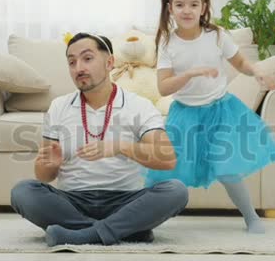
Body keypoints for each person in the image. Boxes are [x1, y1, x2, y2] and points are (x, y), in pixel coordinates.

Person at [10, 32, 188, 246]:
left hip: (125, 200)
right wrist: (47, 166)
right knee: (22, 192)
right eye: (72, 62)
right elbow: (44, 176)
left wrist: (120, 147)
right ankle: (126, 229)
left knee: (176, 191)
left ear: (109, 62)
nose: (79, 68)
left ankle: (84, 234)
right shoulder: (59, 106)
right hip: (73, 201)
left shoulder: (139, 105)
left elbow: (167, 158)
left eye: (87, 58)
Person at [144, 0, 275, 233]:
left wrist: (258, 72)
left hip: (221, 112)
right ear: (170, 8)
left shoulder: (217, 35)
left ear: (204, 8)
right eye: (180, 5)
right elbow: (163, 87)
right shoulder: (167, 42)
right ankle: (142, 220)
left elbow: (240, 63)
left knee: (228, 170)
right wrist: (189, 74)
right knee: (164, 171)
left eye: (194, 4)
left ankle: (251, 217)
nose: (187, 10)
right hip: (185, 116)